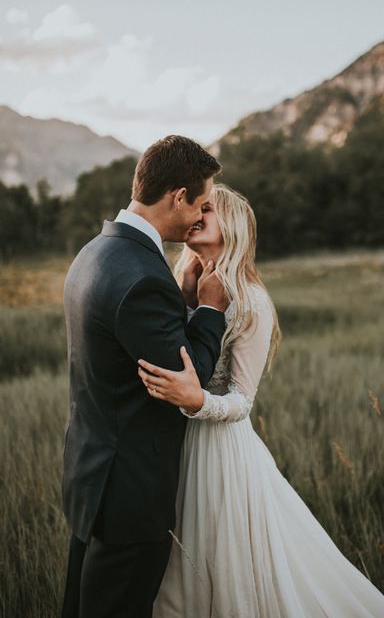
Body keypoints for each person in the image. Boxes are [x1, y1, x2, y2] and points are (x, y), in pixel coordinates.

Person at [137, 184, 384, 618]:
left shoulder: (251, 302)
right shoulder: (179, 284)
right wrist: (185, 301)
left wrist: (197, 401)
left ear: (234, 228)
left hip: (220, 455)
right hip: (174, 446)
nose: (196, 214)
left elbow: (243, 401)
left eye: (208, 209)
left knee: (226, 564)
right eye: (197, 206)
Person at [61, 135, 228, 618]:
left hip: (90, 476)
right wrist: (209, 310)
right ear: (177, 196)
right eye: (199, 203)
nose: (200, 217)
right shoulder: (142, 274)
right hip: (130, 494)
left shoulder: (95, 252)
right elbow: (184, 378)